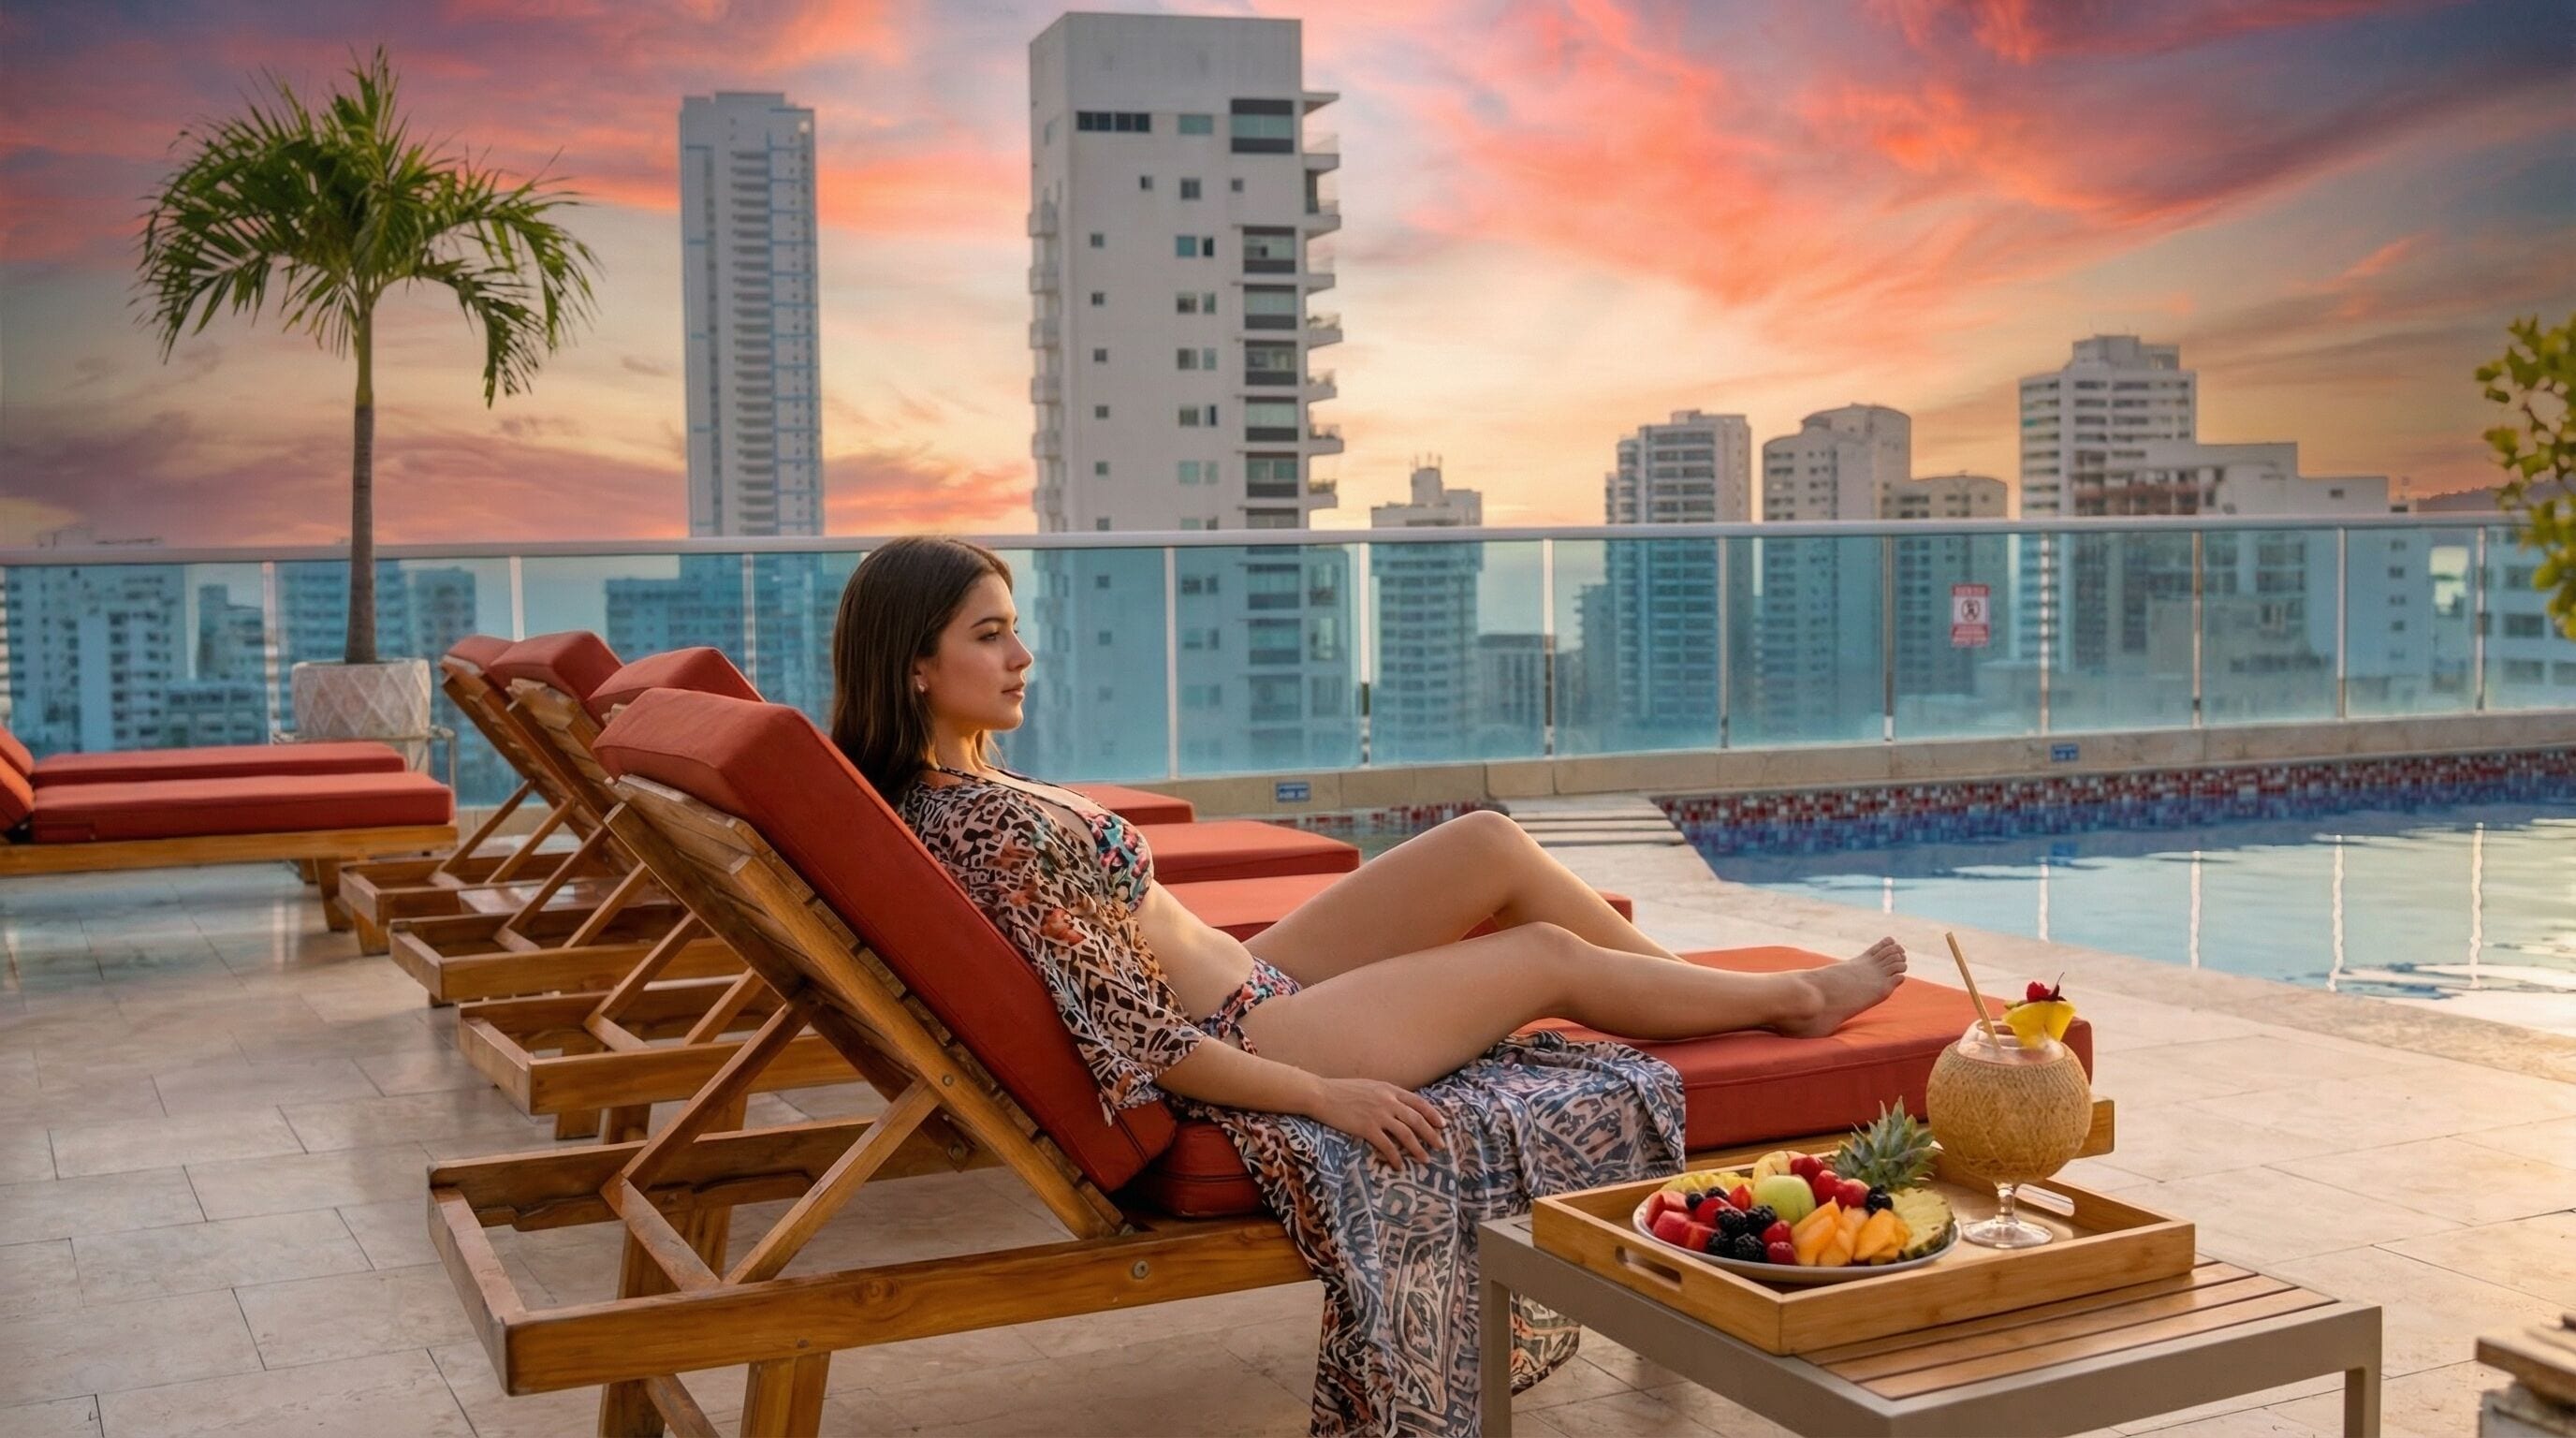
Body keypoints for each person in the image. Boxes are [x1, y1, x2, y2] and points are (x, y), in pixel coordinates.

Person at [831, 535, 1909, 1435]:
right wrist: (1323, 1097)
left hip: (1257, 981)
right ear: (914, 664)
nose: (1023, 653)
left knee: (1485, 843)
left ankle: (1681, 993)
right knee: (1543, 963)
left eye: (1015, 625)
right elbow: (1134, 1042)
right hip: (1265, 1044)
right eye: (988, 634)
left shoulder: (966, 782)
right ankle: (1792, 1004)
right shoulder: (982, 826)